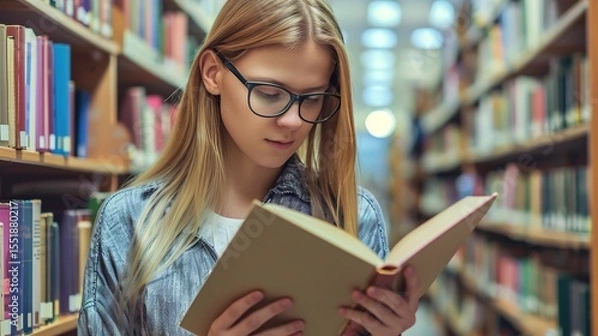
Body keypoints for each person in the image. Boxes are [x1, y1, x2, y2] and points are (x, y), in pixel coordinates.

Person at [77, 0, 420, 335]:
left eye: (312, 99)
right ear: (213, 73)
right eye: (270, 93)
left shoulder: (353, 216)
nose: (291, 121)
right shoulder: (128, 221)